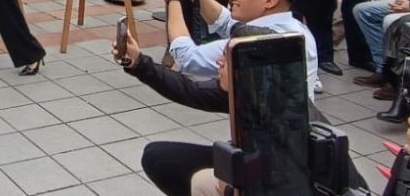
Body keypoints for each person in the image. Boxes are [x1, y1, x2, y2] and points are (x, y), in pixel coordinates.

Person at [114, 25, 367, 196]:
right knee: (159, 156)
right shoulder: (250, 86)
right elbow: (190, 91)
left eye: (226, 57)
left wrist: (235, 182)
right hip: (261, 170)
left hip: (292, 185)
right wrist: (138, 63)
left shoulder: (285, 119)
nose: (218, 62)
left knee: (206, 181)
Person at [149, 0, 319, 98]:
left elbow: (187, 58)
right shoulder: (295, 28)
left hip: (266, 136)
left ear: (271, 0)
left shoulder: (258, 43)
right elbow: (225, 22)